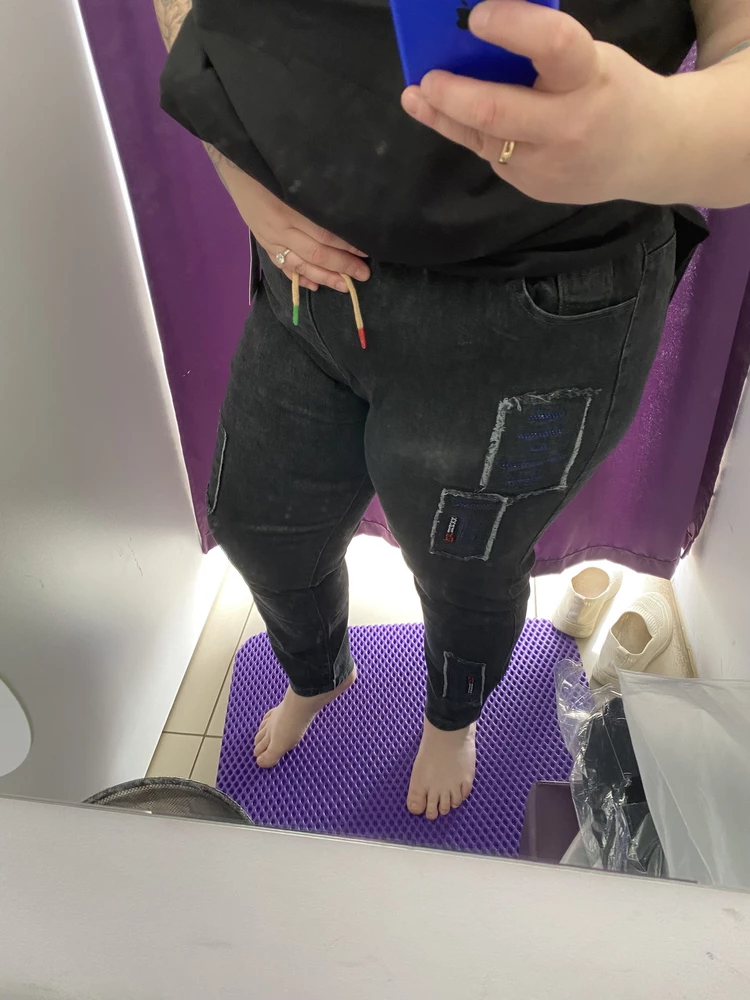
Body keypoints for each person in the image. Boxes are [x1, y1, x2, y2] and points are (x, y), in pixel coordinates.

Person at [154, 0, 750, 820]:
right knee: (256, 521)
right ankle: (318, 676)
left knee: (463, 571)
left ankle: (451, 716)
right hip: (315, 271)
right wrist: (234, 163)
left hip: (537, 303)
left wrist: (650, 136)